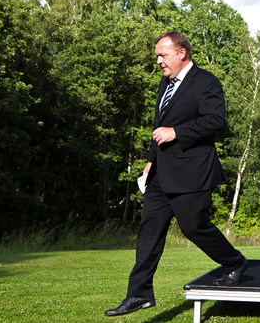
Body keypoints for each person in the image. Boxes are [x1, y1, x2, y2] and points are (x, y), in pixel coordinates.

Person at [105, 31, 248, 317]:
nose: (158, 60)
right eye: (157, 55)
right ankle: (139, 294)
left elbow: (215, 120)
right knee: (149, 232)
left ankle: (234, 262)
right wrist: (149, 161)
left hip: (192, 172)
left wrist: (177, 132)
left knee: (194, 227)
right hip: (160, 174)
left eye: (163, 54)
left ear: (182, 52)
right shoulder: (165, 84)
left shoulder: (206, 82)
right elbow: (159, 126)